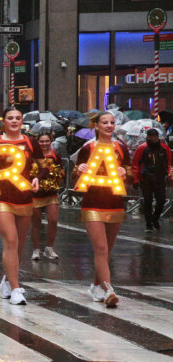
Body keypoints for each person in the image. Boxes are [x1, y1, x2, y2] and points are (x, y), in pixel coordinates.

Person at [0, 106, 38, 305]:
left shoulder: (30, 141)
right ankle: (17, 288)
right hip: (0, 197)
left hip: (24, 197)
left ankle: (8, 280)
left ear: (22, 121)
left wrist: (37, 178)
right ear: (4, 121)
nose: (14, 121)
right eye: (10, 118)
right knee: (10, 240)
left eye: (17, 118)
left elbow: (44, 165)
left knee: (19, 244)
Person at [73, 112, 131, 307]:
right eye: (104, 122)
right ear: (96, 126)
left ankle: (96, 285)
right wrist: (79, 170)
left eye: (112, 123)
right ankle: (108, 289)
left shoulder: (121, 147)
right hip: (92, 202)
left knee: (107, 251)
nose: (109, 125)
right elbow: (75, 173)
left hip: (114, 203)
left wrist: (125, 172)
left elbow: (130, 172)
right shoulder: (88, 148)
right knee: (101, 248)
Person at [132, 128, 172, 231]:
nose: (153, 138)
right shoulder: (142, 148)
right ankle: (149, 224)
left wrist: (168, 175)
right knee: (148, 201)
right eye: (151, 136)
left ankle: (155, 218)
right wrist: (136, 179)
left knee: (161, 200)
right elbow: (136, 164)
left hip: (159, 178)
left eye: (155, 136)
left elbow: (169, 162)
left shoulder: (164, 148)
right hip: (146, 179)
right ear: (148, 137)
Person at [31, 132, 62, 261]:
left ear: (51, 141)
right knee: (36, 223)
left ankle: (49, 248)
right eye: (41, 141)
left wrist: (58, 175)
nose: (44, 144)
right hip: (35, 193)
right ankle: (36, 249)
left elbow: (61, 170)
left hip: (51, 193)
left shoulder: (55, 155)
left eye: (47, 141)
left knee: (53, 220)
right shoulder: (32, 156)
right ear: (37, 142)